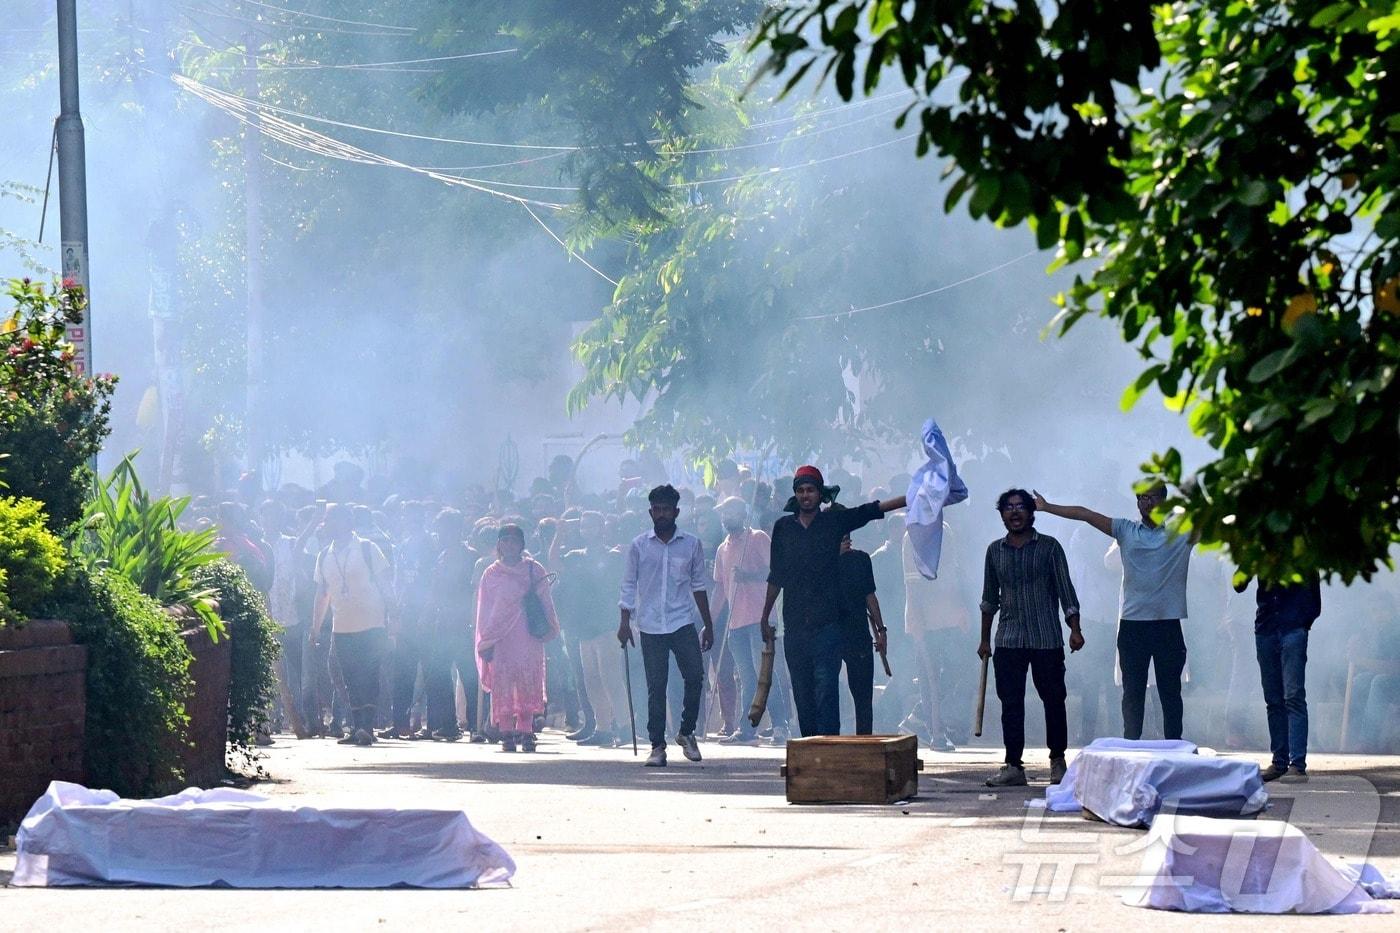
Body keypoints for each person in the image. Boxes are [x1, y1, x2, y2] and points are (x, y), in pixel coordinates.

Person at [1033, 485, 1193, 740]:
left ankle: (1174, 747)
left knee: (1170, 692)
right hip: (1133, 625)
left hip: (1167, 624)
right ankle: (1131, 745)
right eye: (1141, 498)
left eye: (1151, 498)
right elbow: (1084, 514)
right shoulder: (1126, 530)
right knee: (1132, 692)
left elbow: (1213, 519)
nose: (1145, 503)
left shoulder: (1181, 533)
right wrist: (1047, 507)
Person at [759, 465, 906, 737]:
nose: (806, 495)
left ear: (820, 493)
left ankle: (828, 752)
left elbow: (869, 511)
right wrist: (765, 614)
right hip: (793, 625)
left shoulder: (832, 523)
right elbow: (776, 575)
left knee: (827, 690)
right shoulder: (783, 528)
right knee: (802, 693)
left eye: (811, 490)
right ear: (795, 495)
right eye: (801, 490)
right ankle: (809, 751)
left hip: (827, 625)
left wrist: (912, 497)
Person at [978, 489, 1083, 787]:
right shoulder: (994, 551)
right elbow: (988, 600)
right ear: (1001, 514)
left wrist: (1074, 629)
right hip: (1009, 639)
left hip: (1046, 638)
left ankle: (1057, 761)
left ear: (1031, 512)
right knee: (1010, 703)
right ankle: (1013, 765)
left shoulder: (1050, 548)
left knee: (1053, 700)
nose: (1014, 512)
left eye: (1020, 507)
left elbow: (1067, 592)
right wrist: (985, 640)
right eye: (1008, 508)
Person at [617, 484, 715, 768]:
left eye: (666, 509)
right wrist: (625, 621)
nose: (661, 514)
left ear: (676, 512)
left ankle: (686, 731)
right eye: (656, 509)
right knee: (656, 686)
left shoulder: (691, 544)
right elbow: (628, 585)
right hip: (649, 625)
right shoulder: (638, 545)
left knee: (695, 676)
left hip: (682, 621)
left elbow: (699, 586)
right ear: (650, 512)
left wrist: (708, 625)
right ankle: (657, 745)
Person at [310, 504, 394, 747]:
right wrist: (315, 628)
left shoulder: (368, 548)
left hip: (372, 623)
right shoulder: (324, 554)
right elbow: (321, 594)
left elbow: (386, 582)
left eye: (333, 520)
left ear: (348, 522)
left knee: (368, 674)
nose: (328, 525)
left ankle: (366, 726)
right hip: (342, 626)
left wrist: (394, 616)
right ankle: (358, 726)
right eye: (327, 520)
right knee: (348, 677)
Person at [476, 524, 560, 752]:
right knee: (503, 682)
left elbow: (545, 601)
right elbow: (484, 609)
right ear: (499, 545)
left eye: (514, 541)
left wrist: (551, 626)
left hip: (527, 635)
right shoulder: (491, 574)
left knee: (526, 681)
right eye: (505, 541)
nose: (510, 545)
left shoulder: (534, 569)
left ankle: (526, 730)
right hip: (500, 637)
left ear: (522, 544)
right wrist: (484, 638)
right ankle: (506, 732)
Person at [711, 496, 784, 745]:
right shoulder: (723, 549)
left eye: (730, 511)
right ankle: (747, 728)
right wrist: (709, 622)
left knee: (765, 675)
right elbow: (720, 588)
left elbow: (775, 571)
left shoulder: (758, 538)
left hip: (761, 619)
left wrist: (749, 576)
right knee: (746, 677)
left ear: (742, 513)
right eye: (723, 512)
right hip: (736, 623)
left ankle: (780, 725)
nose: (726, 516)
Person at [1239, 572, 1321, 781]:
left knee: (1293, 695)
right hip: (1266, 628)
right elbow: (1239, 584)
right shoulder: (1258, 547)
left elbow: (1314, 594)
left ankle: (1297, 763)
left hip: (1292, 628)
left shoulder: (1300, 547)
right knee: (1274, 699)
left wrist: (1304, 623)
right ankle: (1280, 761)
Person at [558, 511, 627, 747]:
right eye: (583, 526)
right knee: (591, 679)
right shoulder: (575, 556)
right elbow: (554, 564)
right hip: (583, 625)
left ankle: (626, 726)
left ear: (602, 527)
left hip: (607, 624)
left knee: (611, 677)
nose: (586, 530)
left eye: (591, 526)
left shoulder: (613, 556)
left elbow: (624, 587)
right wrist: (559, 534)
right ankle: (603, 727)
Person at [838, 528, 887, 735]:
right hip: (828, 635)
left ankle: (864, 740)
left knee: (863, 695)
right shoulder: (820, 562)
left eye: (846, 536)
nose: (845, 541)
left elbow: (870, 597)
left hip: (857, 633)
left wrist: (881, 629)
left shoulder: (861, 559)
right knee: (827, 693)